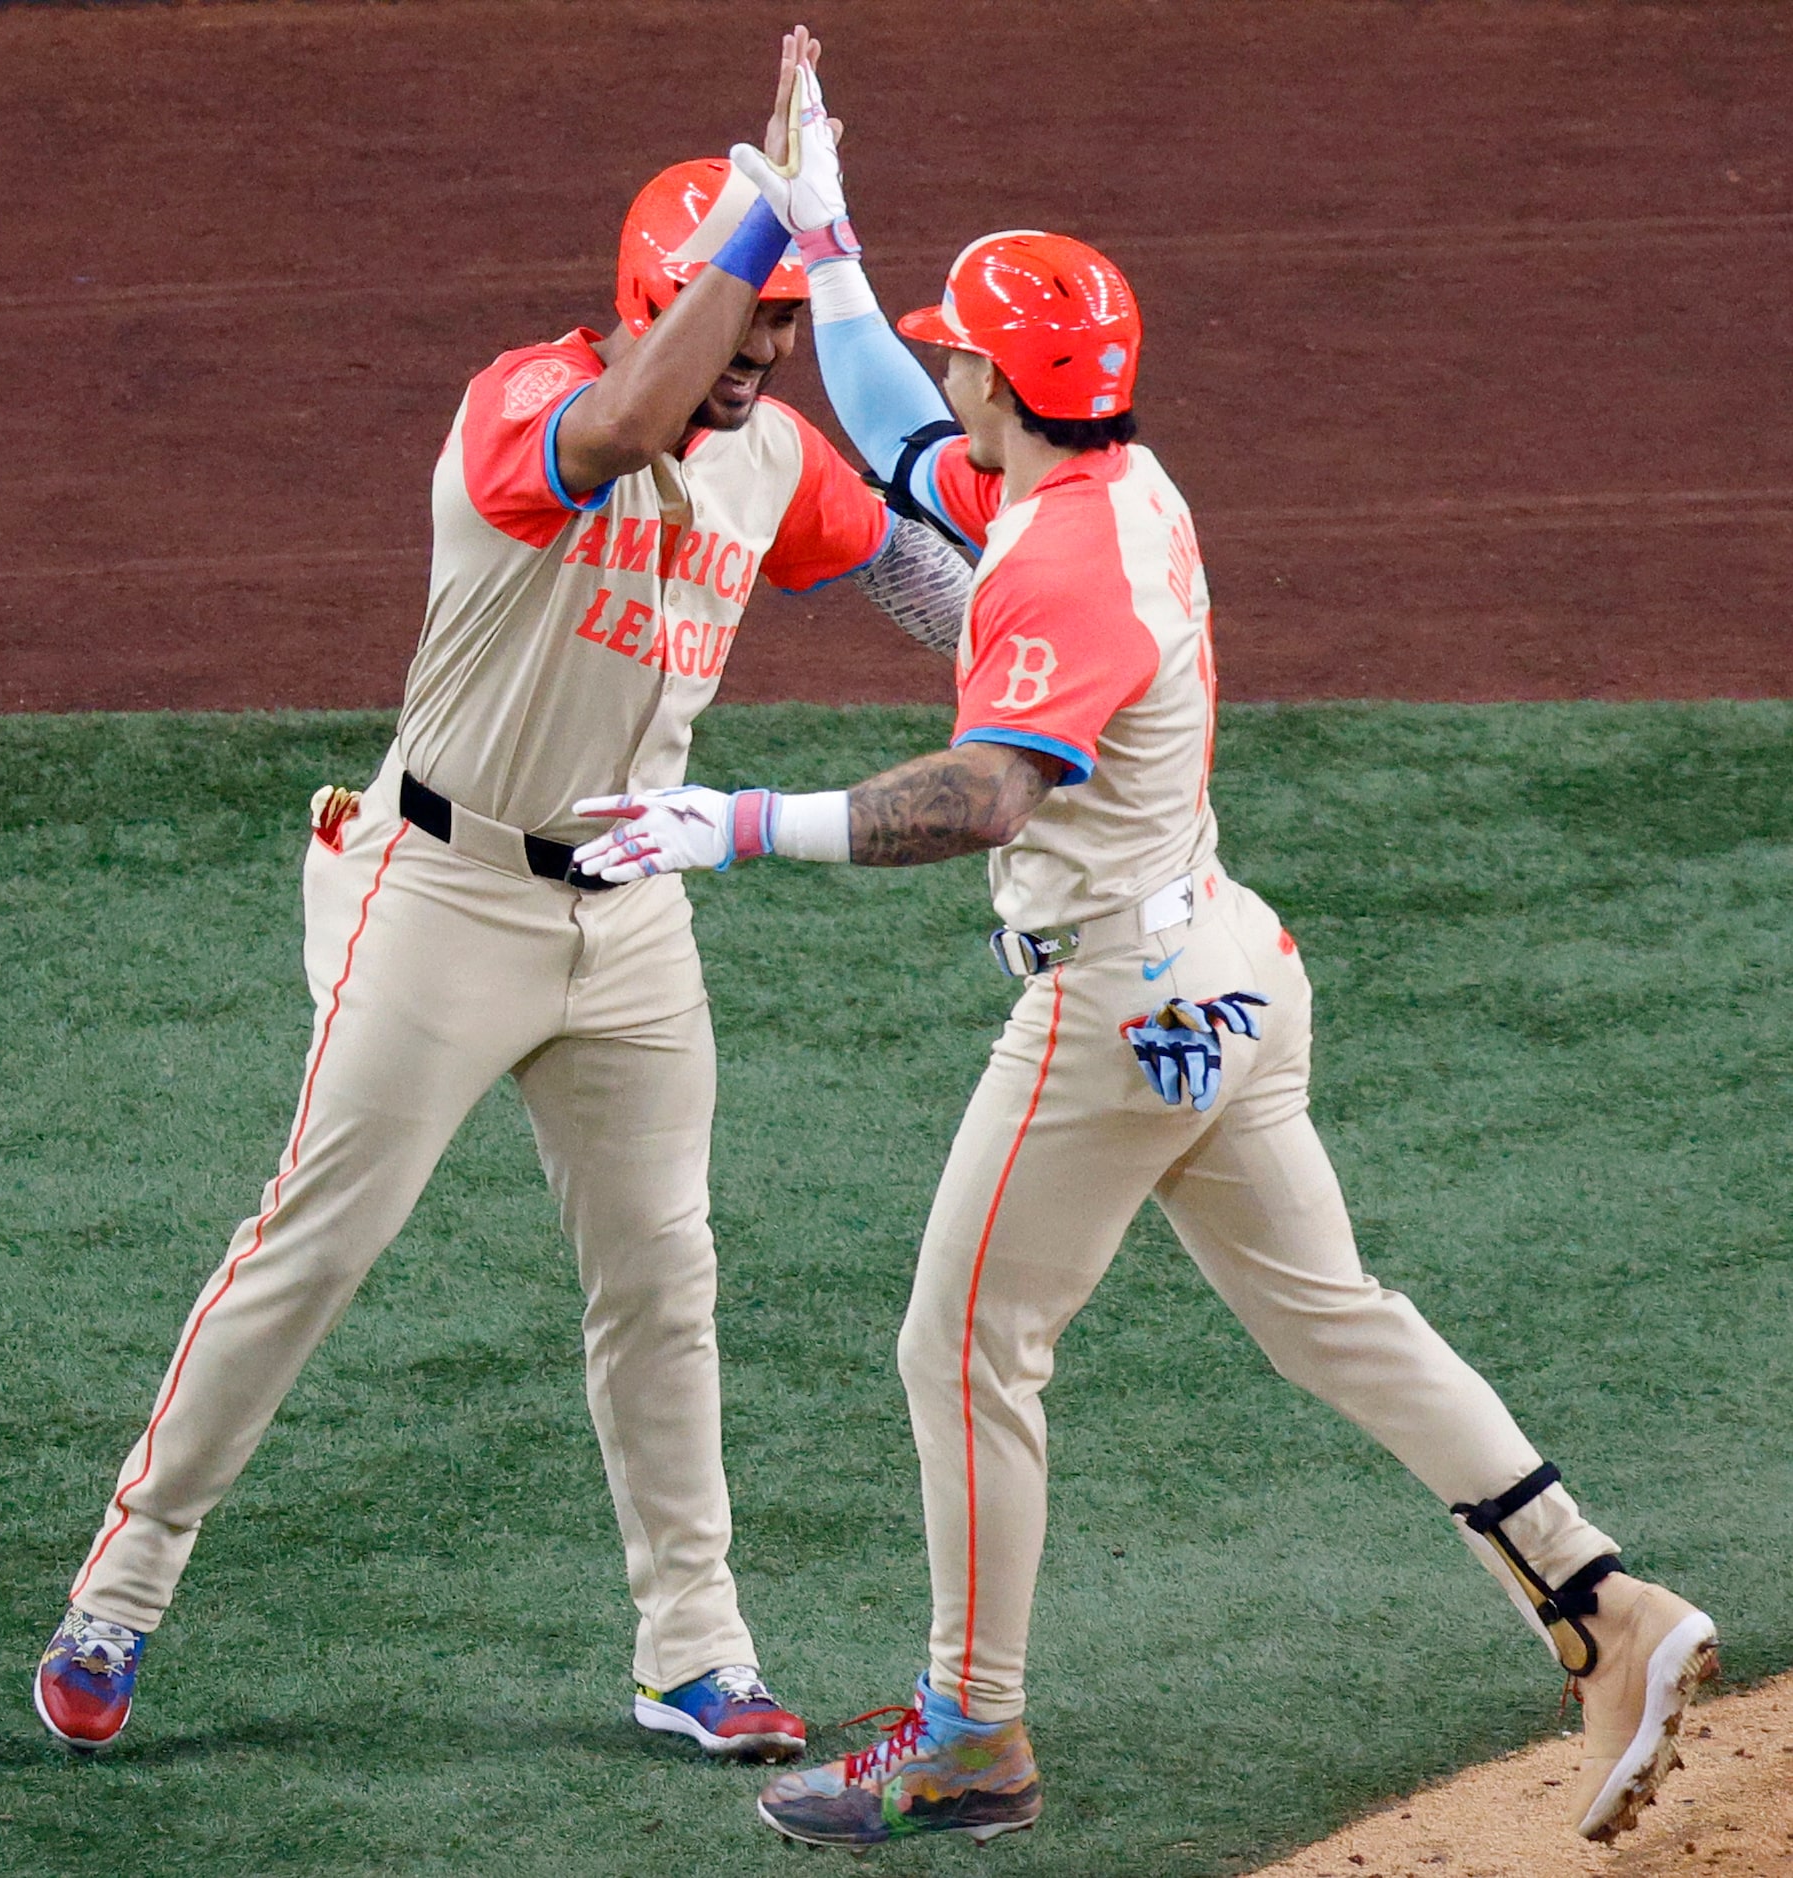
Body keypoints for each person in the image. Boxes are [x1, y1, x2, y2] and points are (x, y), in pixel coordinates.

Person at [571, 67, 1719, 1851]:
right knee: (1339, 1321)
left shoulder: (1055, 571)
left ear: (1004, 391)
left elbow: (982, 795)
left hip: (1118, 1005)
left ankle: (971, 1731)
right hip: (1231, 971)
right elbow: (890, 418)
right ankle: (1604, 1604)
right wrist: (831, 238)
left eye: (965, 350)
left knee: (957, 1342)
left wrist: (738, 822)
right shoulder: (1110, 481)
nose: (938, 367)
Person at [33, 27, 975, 1761]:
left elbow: (919, 570)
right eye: (740, 315)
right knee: (316, 1241)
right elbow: (620, 423)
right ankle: (124, 1582)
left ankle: (695, 1651)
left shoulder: (771, 455)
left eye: (778, 323)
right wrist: (767, 223)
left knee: (664, 1275)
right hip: (444, 890)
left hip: (631, 911)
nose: (767, 353)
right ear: (654, 297)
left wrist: (1041, 641)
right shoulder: (526, 404)